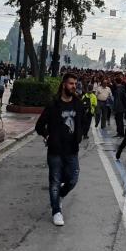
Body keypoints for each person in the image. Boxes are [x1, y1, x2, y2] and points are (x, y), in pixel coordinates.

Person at [34, 73, 83, 226]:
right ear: (63, 85)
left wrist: (79, 135)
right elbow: (39, 126)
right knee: (55, 181)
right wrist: (47, 135)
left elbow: (83, 122)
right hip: (55, 150)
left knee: (73, 179)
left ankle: (60, 195)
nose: (73, 86)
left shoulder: (78, 104)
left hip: (72, 150)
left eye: (75, 83)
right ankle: (56, 211)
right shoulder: (53, 104)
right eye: (70, 83)